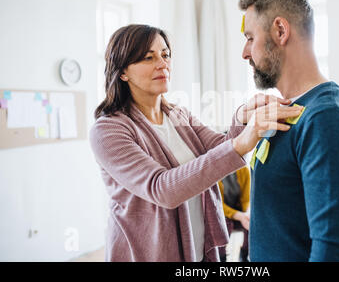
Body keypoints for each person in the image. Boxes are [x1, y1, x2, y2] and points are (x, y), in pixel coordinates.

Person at [89, 24, 303, 261]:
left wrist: (243, 116)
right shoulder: (108, 130)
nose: (162, 64)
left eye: (165, 54)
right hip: (148, 253)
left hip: (199, 246)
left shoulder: (179, 115)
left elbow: (223, 147)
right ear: (122, 72)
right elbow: (163, 189)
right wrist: (243, 140)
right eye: (148, 58)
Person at [239, 0, 339, 261]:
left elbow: (334, 253)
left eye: (250, 38)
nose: (245, 52)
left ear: (280, 31)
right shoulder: (287, 110)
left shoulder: (327, 118)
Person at [218, 165, 251, 262]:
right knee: (225, 223)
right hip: (221, 212)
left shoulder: (243, 169)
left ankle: (245, 256)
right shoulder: (215, 173)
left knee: (251, 221)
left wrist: (246, 215)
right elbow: (218, 205)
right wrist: (240, 216)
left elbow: (245, 200)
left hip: (238, 209)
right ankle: (221, 257)